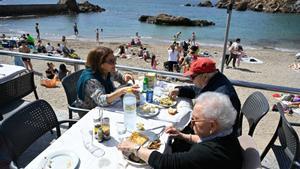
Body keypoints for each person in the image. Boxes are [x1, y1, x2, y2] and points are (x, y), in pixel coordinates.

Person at [118, 92, 243, 169]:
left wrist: (136, 148)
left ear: (212, 126)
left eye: (195, 120)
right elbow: (203, 139)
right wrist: (182, 136)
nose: (191, 124)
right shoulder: (225, 133)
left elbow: (165, 163)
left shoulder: (209, 153)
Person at [169, 57, 241, 152]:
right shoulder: (214, 80)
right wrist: (180, 90)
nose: (191, 80)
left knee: (174, 147)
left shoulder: (221, 96)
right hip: (209, 132)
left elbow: (217, 134)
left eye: (192, 77)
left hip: (215, 143)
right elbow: (197, 90)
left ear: (205, 76)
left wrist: (187, 136)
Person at [74, 46, 139, 113]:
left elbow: (119, 78)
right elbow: (101, 100)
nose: (115, 63)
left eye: (115, 60)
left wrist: (126, 77)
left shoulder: (107, 71)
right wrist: (121, 91)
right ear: (100, 64)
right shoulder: (91, 80)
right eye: (111, 61)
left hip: (104, 107)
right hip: (89, 112)